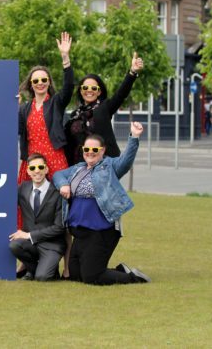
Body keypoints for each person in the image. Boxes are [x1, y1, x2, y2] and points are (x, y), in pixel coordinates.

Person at [53, 122, 151, 285]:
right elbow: (57, 174)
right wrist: (63, 184)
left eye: (95, 150)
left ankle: (134, 278)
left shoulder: (110, 166)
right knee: (76, 274)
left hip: (101, 230)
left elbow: (126, 161)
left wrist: (134, 137)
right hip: (80, 231)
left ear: (103, 150)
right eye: (87, 149)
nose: (90, 153)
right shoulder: (78, 168)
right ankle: (120, 270)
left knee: (92, 277)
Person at [17, 32, 73, 230]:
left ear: (49, 82)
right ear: (31, 85)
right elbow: (13, 129)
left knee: (60, 209)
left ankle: (66, 260)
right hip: (31, 161)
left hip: (55, 159)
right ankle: (29, 257)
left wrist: (65, 58)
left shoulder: (56, 103)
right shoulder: (24, 109)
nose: (40, 83)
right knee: (27, 208)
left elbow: (69, 87)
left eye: (43, 80)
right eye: (36, 81)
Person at [65, 52, 144, 165]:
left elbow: (121, 94)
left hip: (103, 166)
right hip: (79, 167)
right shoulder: (75, 115)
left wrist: (132, 72)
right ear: (81, 91)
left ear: (99, 91)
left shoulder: (104, 108)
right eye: (85, 87)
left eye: (94, 88)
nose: (89, 90)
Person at [9, 153, 65, 281]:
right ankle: (32, 270)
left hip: (52, 244)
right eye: (33, 168)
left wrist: (29, 235)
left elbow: (59, 228)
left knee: (42, 277)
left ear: (46, 169)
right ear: (28, 171)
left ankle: (43, 271)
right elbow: (4, 201)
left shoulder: (58, 193)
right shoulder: (23, 188)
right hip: (30, 245)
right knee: (14, 245)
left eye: (40, 167)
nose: (37, 171)